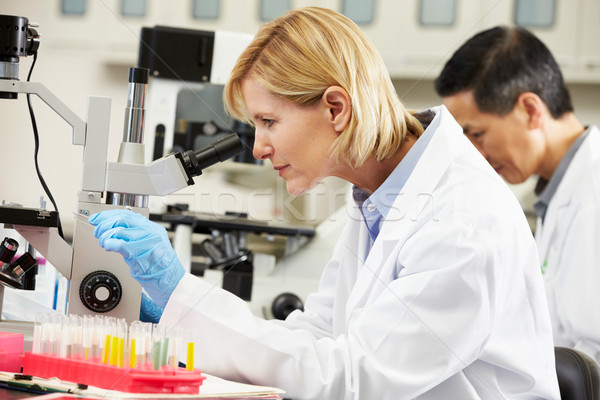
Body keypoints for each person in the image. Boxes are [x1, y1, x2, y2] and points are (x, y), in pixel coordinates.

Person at [89, 8, 560, 399]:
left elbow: (352, 379)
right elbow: (318, 335)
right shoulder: (378, 194)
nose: (258, 148)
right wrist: (183, 312)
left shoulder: (462, 220)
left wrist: (181, 292)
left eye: (269, 121)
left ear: (336, 108)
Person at [435, 26, 600, 364]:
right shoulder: (556, 191)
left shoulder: (593, 193)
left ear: (530, 109)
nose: (473, 154)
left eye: (477, 134)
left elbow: (588, 357)